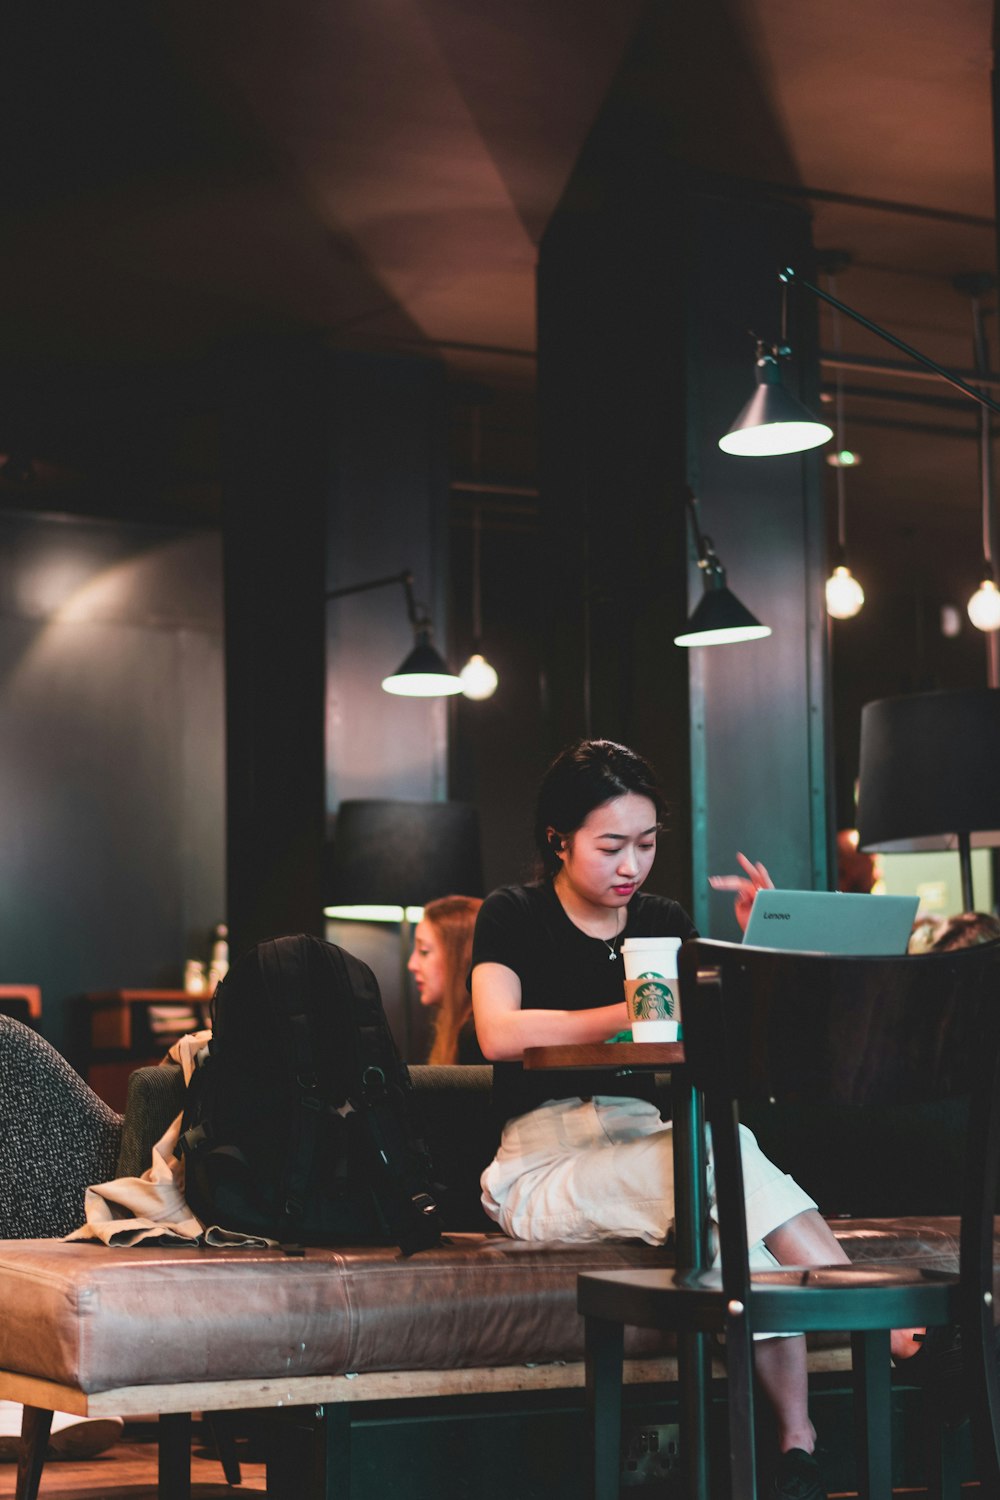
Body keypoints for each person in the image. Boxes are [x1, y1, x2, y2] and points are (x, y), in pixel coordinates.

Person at [470, 738, 942, 1500]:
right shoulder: (513, 914)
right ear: (558, 839)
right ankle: (886, 1326)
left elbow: (713, 1039)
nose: (632, 866)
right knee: (699, 1154)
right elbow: (498, 1032)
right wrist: (626, 1008)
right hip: (542, 1164)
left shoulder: (661, 919)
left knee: (726, 1195)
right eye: (611, 846)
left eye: (648, 844)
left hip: (649, 1136)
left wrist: (757, 951)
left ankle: (795, 1446)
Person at [408, 894, 485, 1065]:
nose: (412, 965)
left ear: (461, 957)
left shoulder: (475, 1038)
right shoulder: (456, 1028)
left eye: (424, 951)